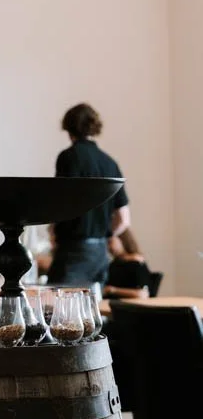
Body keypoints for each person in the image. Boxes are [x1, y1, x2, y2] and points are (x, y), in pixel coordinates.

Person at [47, 102, 130, 289]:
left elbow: (59, 201)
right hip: (100, 252)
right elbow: (123, 220)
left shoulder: (68, 157)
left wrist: (52, 231)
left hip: (73, 250)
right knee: (93, 304)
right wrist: (105, 234)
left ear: (68, 128)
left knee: (56, 303)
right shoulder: (110, 163)